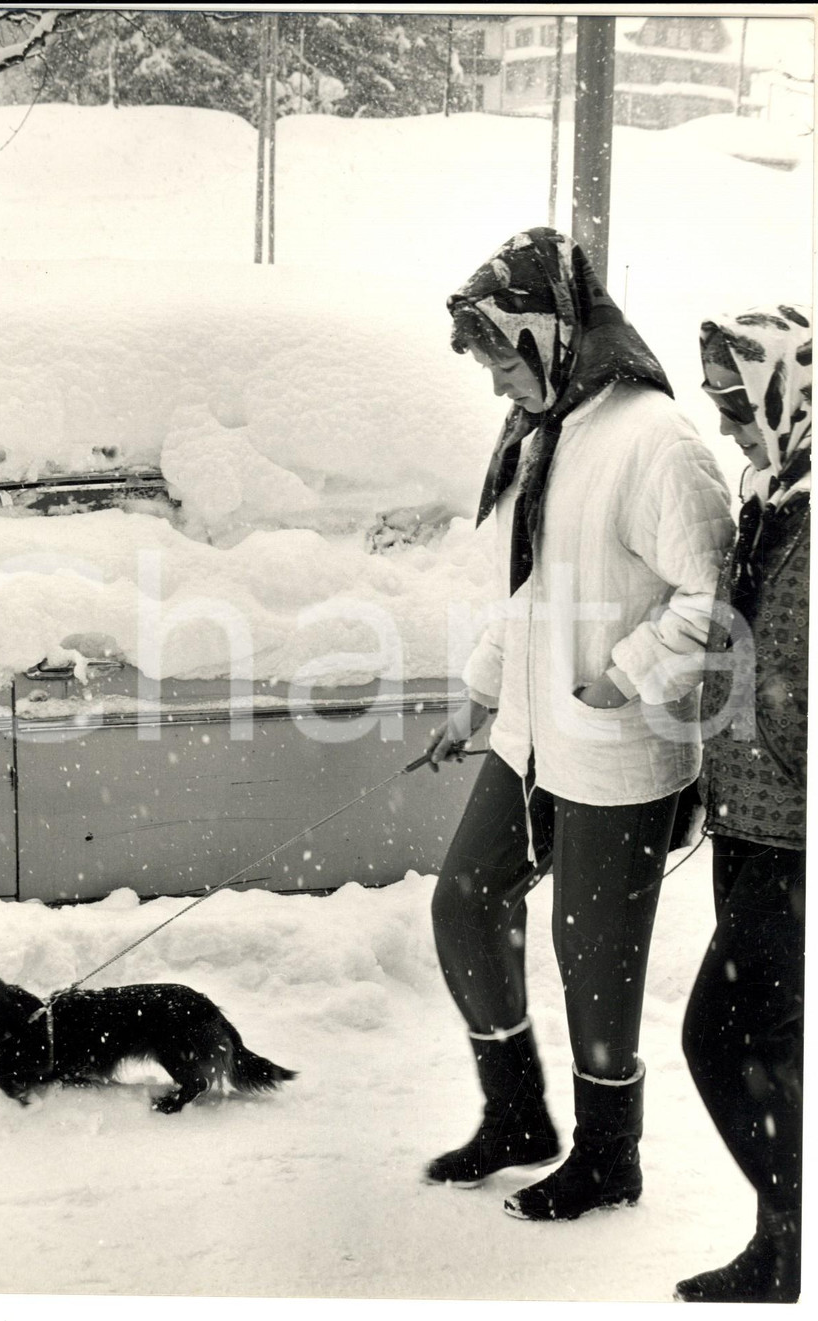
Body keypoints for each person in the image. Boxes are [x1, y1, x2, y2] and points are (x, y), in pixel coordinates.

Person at [425, 227, 733, 1222]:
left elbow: (712, 595)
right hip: (528, 731)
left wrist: (627, 672)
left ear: (547, 333)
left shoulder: (654, 440)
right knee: (466, 898)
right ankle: (516, 1114)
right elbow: (533, 591)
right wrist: (479, 692)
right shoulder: (551, 427)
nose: (495, 385)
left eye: (500, 359)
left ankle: (611, 1157)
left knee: (592, 959)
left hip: (616, 749)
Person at [674, 305, 809, 1303]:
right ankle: (784, 1241)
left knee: (739, 1042)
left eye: (737, 402)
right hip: (744, 817)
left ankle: (789, 1246)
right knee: (746, 1045)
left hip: (796, 834)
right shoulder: (769, 495)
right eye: (718, 404)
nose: (726, 426)